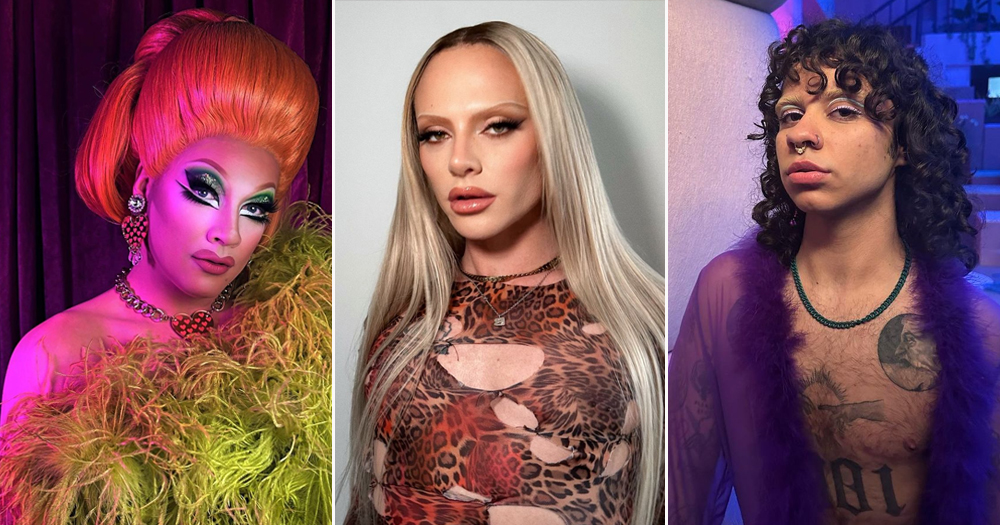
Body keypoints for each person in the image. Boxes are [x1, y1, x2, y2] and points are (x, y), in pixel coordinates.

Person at [0, 8, 330, 521]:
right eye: (205, 190)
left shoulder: (297, 338)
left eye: (256, 207)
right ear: (144, 188)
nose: (230, 231)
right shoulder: (53, 355)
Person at [668, 19, 1000, 524]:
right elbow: (683, 493)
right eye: (790, 115)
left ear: (903, 145)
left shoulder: (980, 329)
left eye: (843, 111)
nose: (800, 134)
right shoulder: (725, 293)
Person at [343, 21, 665, 525]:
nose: (460, 161)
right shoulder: (402, 322)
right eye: (435, 133)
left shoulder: (641, 328)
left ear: (552, 135)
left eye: (497, 125)